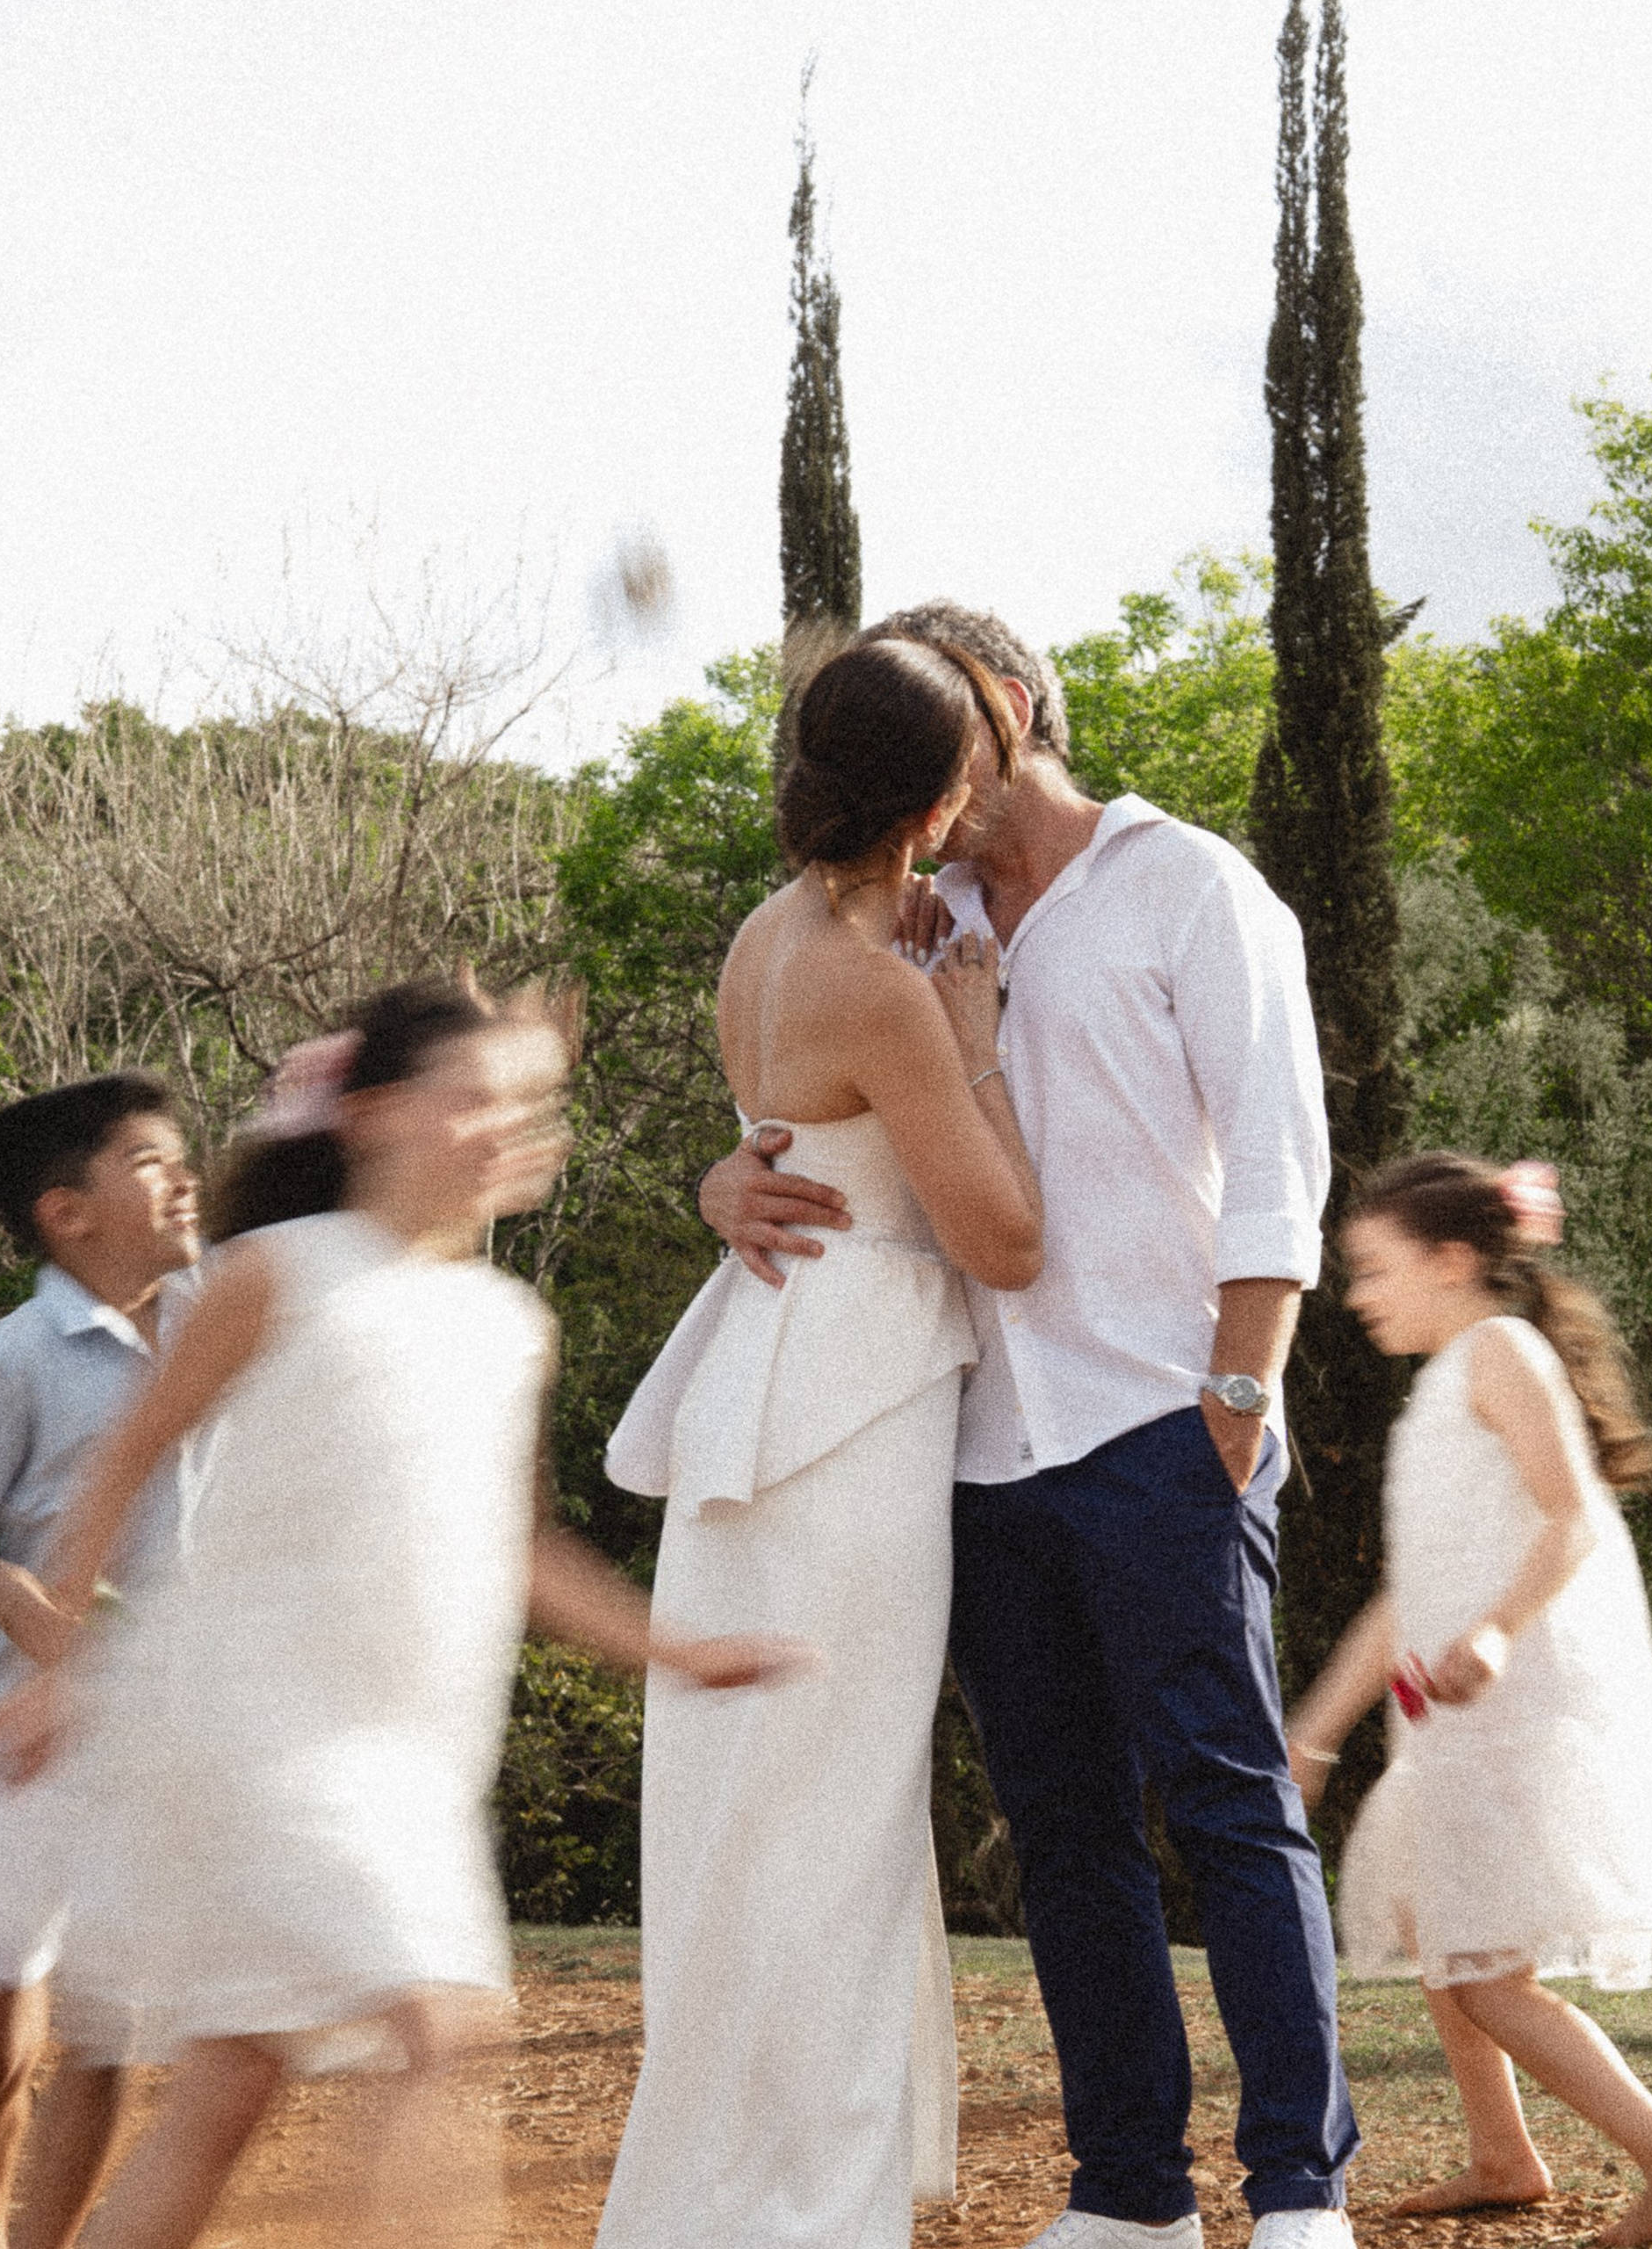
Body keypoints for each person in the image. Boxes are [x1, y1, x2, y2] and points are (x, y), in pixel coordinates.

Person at [703, 601, 1357, 2249]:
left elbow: (1283, 1157)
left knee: (1225, 1804)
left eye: (934, 737)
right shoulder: (906, 922)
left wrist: (1239, 1387)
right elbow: (831, 1126)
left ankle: (1299, 2194)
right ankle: (1131, 2199)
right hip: (980, 1450)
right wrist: (724, 1178)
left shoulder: (1191, 885)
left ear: (1005, 709)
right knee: (1065, 1835)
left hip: (1164, 1423)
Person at [0, 979, 785, 2249]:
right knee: (439, 2027)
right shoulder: (273, 1273)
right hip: (248, 1728)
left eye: (527, 1106)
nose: (508, 1127)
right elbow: (128, 1455)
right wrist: (64, 1662)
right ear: (375, 1114)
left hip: (403, 1760)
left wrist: (676, 1649)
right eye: (475, 1099)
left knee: (235, 2080)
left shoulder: (510, 1326)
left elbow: (526, 1551)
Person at [593, 636, 1045, 2249]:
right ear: (937, 800)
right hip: (846, 1431)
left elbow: (775, 1154)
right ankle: (809, 2216)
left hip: (760, 1410)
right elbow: (1002, 1239)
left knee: (746, 1840)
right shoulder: (882, 984)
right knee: (839, 1839)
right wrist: (974, 1017)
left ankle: (729, 2201)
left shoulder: (764, 941)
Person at [1284, 1152, 1652, 2248]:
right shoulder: (1446, 1378)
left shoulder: (1497, 1350)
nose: (1354, 1295)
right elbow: (1406, 1593)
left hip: (1520, 1702)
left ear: (1452, 1260)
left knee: (1485, 1974)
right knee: (1450, 1930)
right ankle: (1502, 2153)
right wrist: (1319, 1727)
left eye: (1373, 1268)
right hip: (1452, 1713)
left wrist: (1490, 1632)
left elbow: (1571, 1517)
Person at [0, 1073, 202, 2249]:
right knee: (0, 2045)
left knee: (113, 2027)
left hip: (156, 1739)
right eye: (146, 1159)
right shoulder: (12, 1358)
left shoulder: (214, 1322)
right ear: (64, 1212)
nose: (182, 1177)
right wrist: (14, 1595)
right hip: (15, 1742)